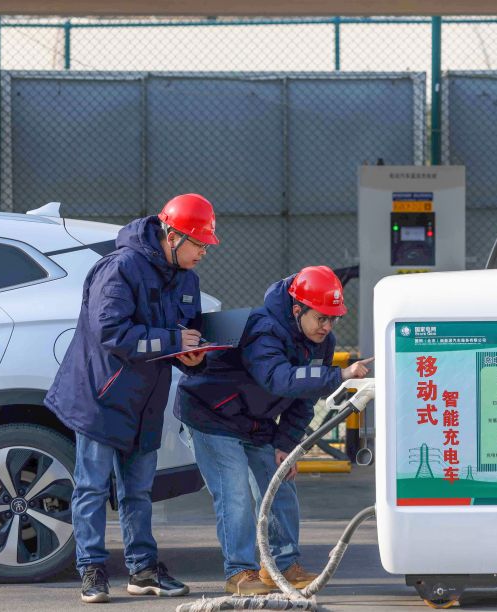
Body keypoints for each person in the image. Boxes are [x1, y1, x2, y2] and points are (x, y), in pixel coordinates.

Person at [45, 193, 219, 603]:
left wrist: (195, 358)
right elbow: (111, 332)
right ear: (173, 237)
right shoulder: (120, 268)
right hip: (100, 395)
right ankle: (91, 570)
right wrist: (173, 341)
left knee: (138, 491)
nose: (203, 253)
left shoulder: (187, 279)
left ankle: (142, 570)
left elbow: (186, 335)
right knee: (91, 487)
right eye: (198, 243)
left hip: (145, 401)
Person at [175, 266, 372, 595]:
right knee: (235, 492)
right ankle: (239, 573)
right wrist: (339, 376)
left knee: (280, 485)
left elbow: (304, 396)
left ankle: (282, 566)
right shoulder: (263, 329)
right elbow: (278, 378)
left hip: (256, 421)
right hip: (211, 416)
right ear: (297, 310)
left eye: (333, 319)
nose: (327, 326)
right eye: (321, 318)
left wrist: (286, 443)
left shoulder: (322, 343)